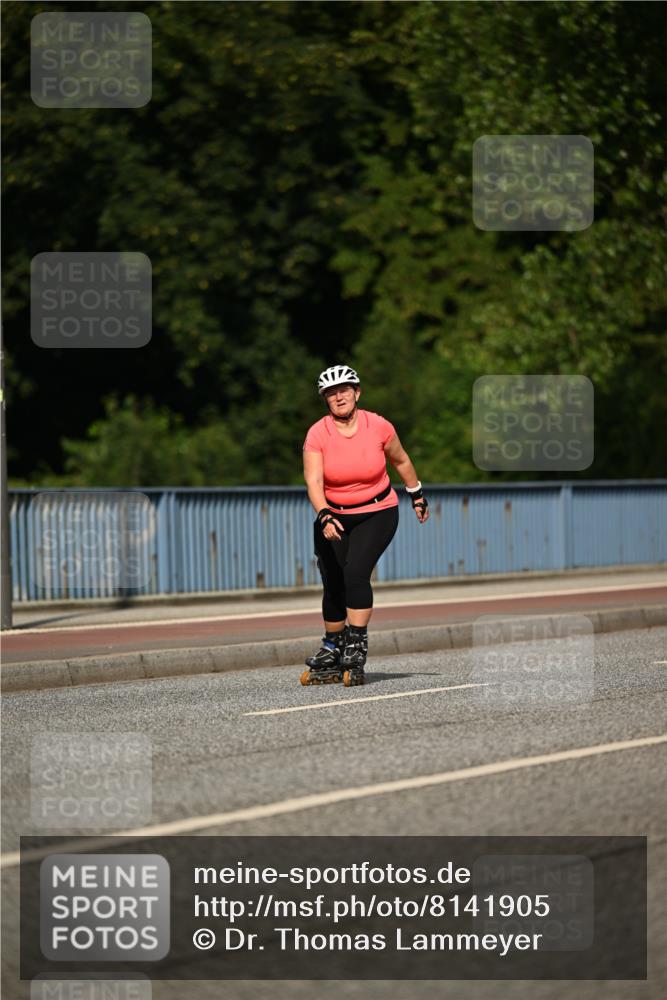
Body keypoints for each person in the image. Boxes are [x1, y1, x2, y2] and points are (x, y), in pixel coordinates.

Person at [301, 364, 429, 687]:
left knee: (355, 571)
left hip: (377, 511)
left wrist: (416, 494)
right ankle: (332, 645)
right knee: (332, 578)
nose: (339, 396)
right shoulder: (318, 433)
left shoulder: (379, 426)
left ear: (357, 393)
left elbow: (400, 460)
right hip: (334, 514)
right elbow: (314, 480)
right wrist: (325, 514)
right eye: (331, 392)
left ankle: (356, 644)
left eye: (344, 389)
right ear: (325, 400)